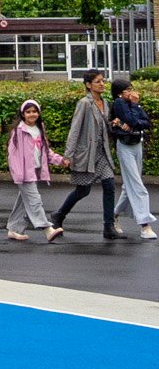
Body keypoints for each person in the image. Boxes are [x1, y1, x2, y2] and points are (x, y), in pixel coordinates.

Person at [52, 69, 126, 242]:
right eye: (98, 81)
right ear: (88, 85)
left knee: (109, 185)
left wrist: (114, 124)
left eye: (103, 81)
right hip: (87, 153)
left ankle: (108, 227)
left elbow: (103, 126)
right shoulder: (84, 103)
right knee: (83, 190)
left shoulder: (106, 103)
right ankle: (59, 214)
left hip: (102, 153)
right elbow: (75, 129)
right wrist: (68, 155)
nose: (102, 84)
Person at [4, 99, 65, 241]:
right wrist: (18, 173)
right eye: (28, 112)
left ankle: (14, 229)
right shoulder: (18, 131)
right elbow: (12, 155)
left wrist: (60, 160)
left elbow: (45, 151)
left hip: (35, 170)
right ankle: (47, 229)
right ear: (23, 114)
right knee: (34, 200)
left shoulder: (39, 128)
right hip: (23, 173)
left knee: (24, 201)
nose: (32, 114)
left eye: (34, 111)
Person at [108, 78, 155, 240]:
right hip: (125, 146)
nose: (132, 92)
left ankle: (112, 216)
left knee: (129, 187)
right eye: (127, 90)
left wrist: (134, 119)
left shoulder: (131, 104)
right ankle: (145, 225)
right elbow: (134, 120)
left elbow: (145, 122)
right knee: (137, 185)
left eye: (131, 89)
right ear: (120, 93)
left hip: (136, 144)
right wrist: (134, 109)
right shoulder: (120, 103)